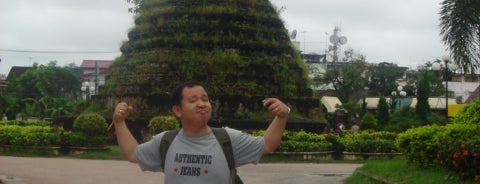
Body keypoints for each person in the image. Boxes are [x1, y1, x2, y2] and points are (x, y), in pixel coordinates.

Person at [112, 81, 290, 183]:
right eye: (193, 100)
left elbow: (267, 145)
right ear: (177, 110)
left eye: (205, 99)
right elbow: (132, 154)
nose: (202, 104)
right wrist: (119, 123)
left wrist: (282, 116)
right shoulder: (165, 141)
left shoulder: (227, 139)